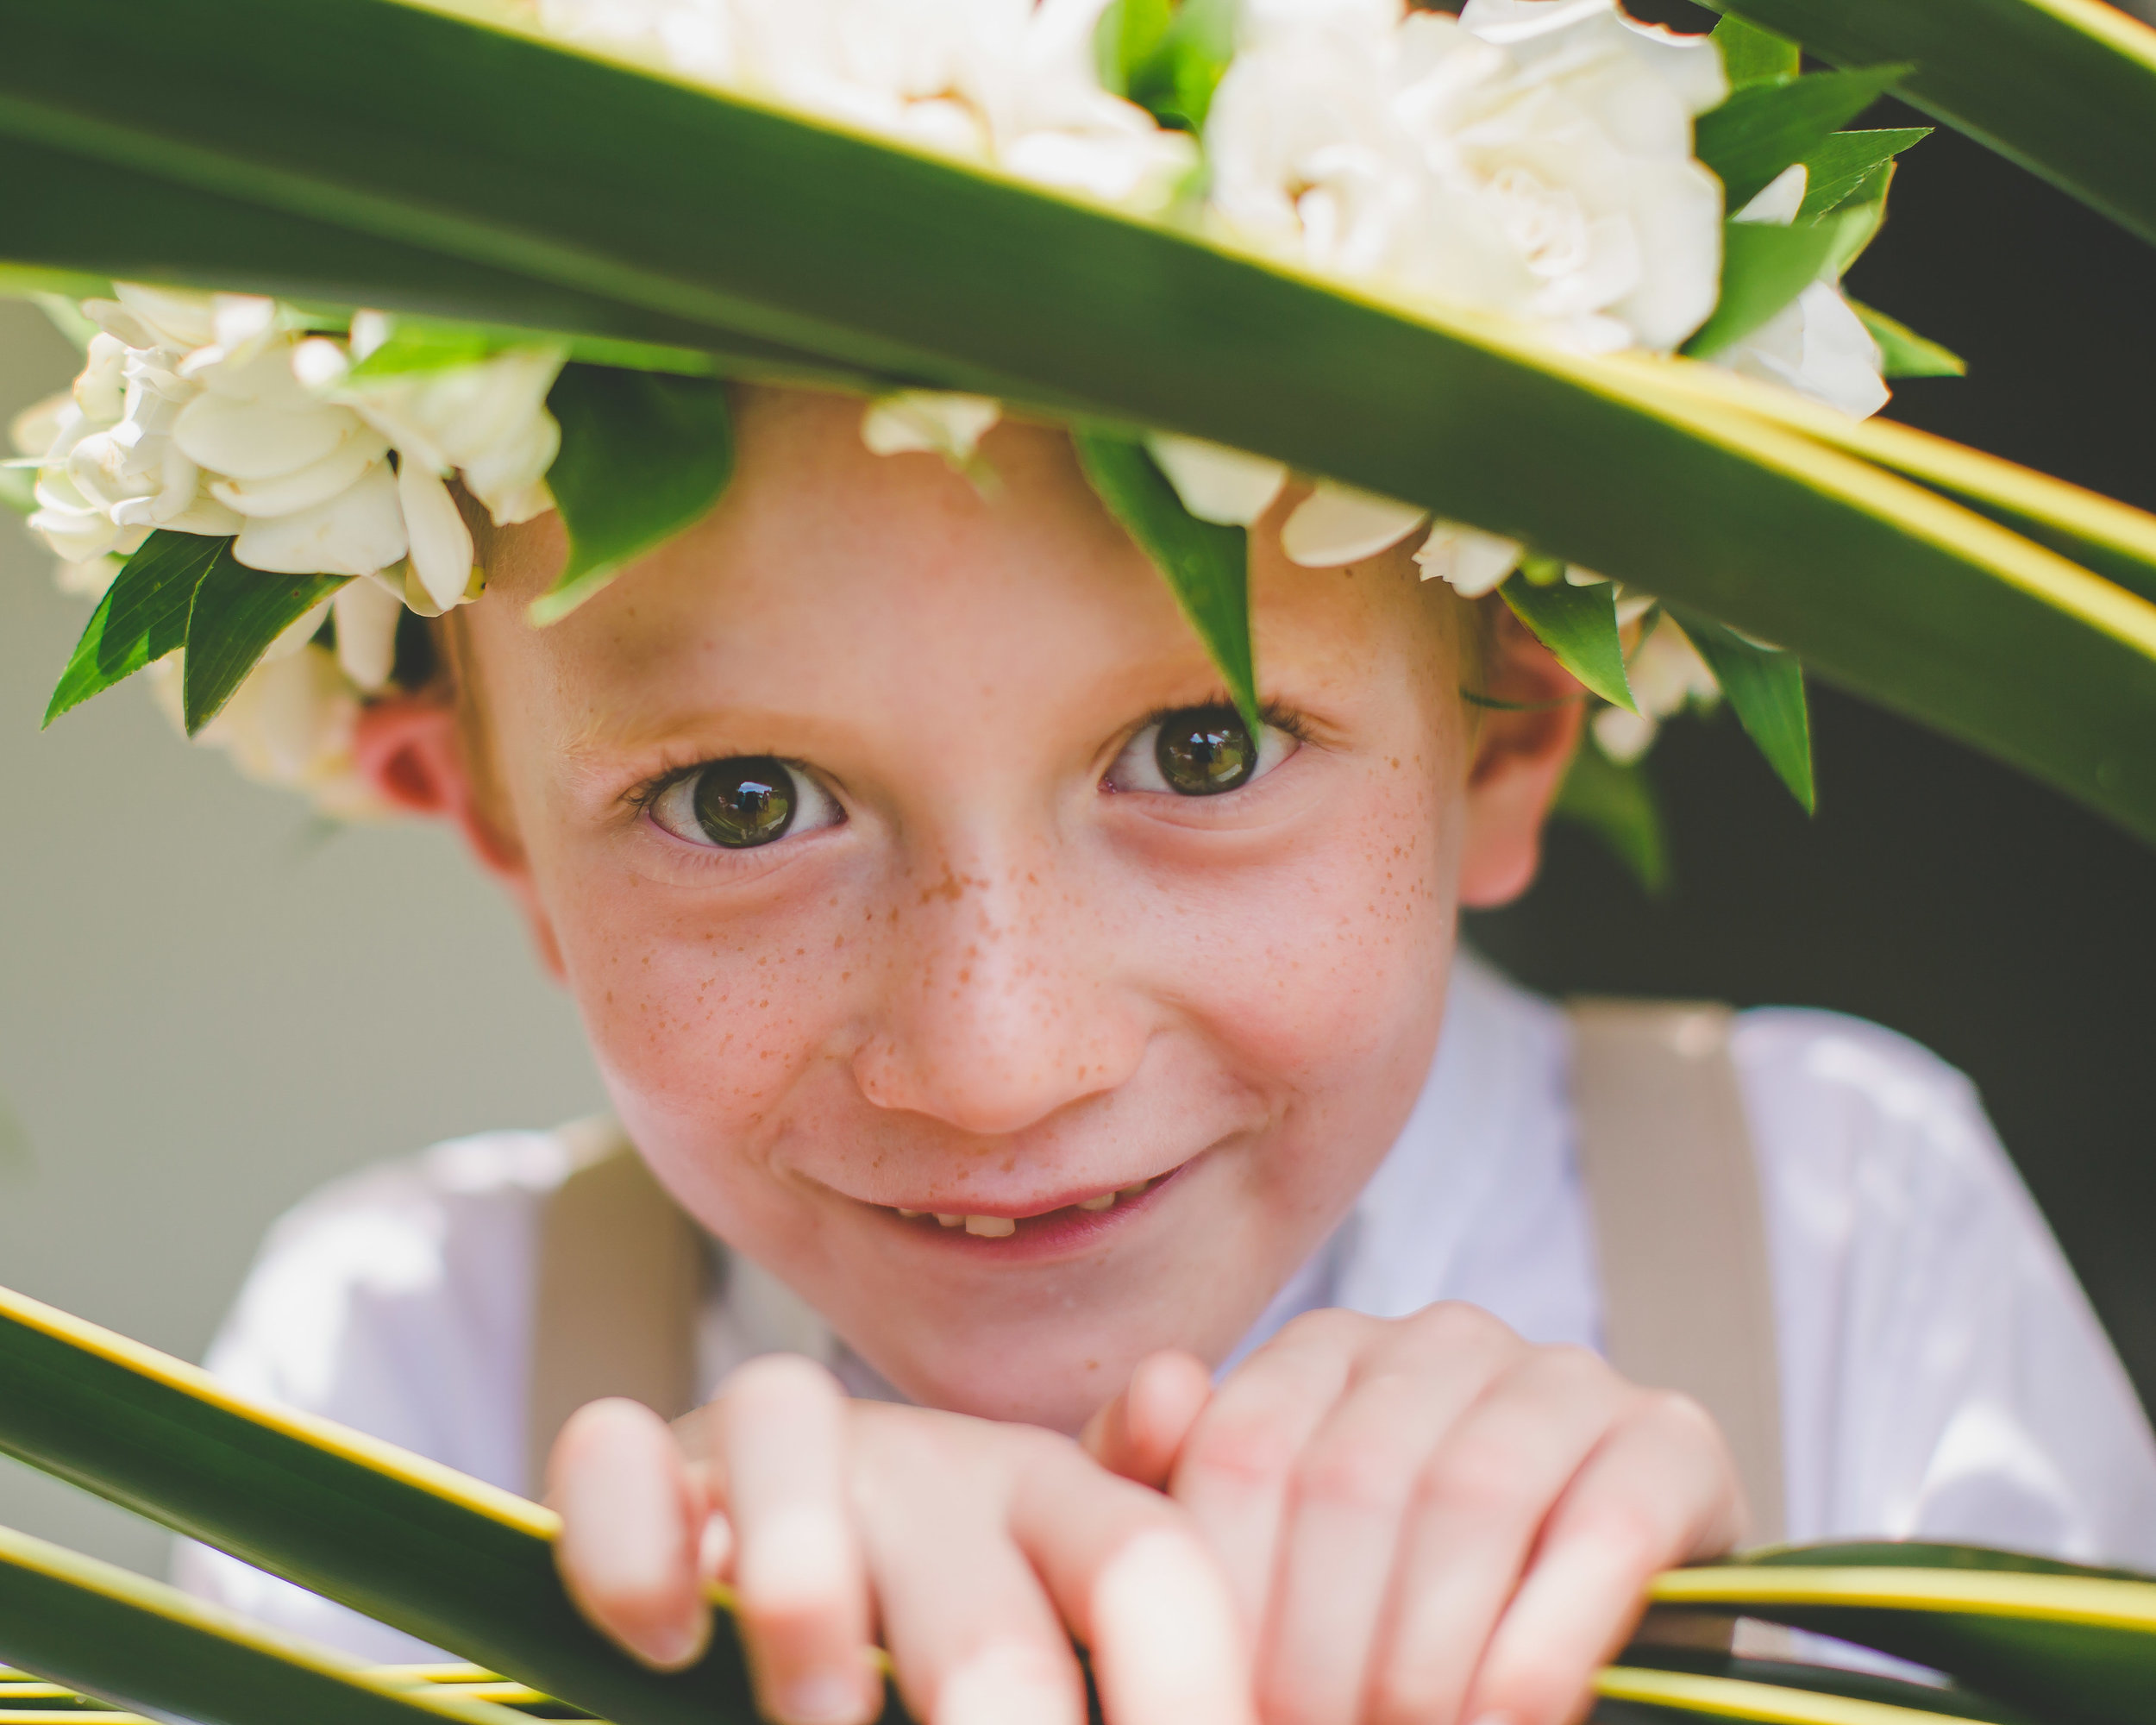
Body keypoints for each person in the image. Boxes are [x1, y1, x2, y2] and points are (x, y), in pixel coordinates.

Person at [10, 0, 2156, 1721]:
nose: (997, 1056)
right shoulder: (405, 1367)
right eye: (742, 800)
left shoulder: (1837, 1221)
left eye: (1200, 745)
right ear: (484, 819)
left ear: (1503, 733)